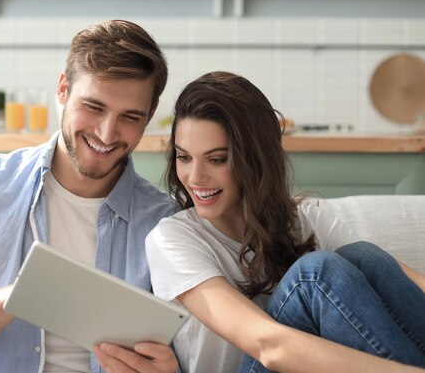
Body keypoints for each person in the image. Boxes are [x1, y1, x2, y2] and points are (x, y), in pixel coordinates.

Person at [0, 19, 180, 373]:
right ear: (63, 90)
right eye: (94, 107)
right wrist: (19, 295)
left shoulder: (164, 222)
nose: (107, 133)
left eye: (129, 116)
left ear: (150, 116)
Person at [145, 71, 425, 373]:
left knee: (363, 257)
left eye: (216, 159)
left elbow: (409, 283)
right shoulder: (171, 239)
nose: (195, 177)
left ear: (254, 159)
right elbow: (269, 345)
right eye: (184, 157)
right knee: (312, 275)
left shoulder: (305, 219)